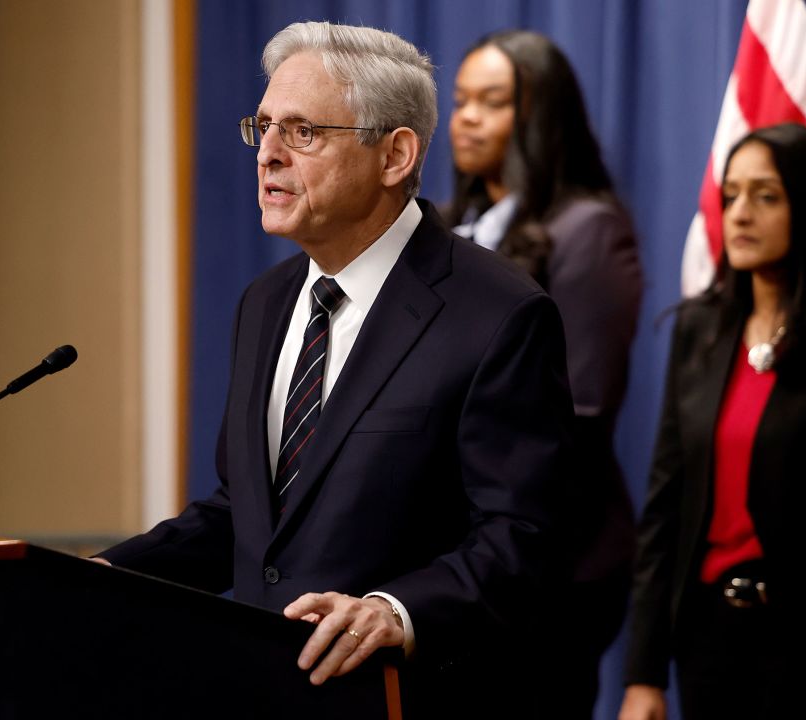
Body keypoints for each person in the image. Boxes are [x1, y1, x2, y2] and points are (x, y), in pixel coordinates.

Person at [97, 21, 574, 716]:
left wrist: (397, 610)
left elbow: (524, 537)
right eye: (262, 128)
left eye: (302, 132)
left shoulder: (500, 314)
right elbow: (246, 515)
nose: (267, 156)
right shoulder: (265, 302)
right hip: (260, 689)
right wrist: (101, 575)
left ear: (395, 154)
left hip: (405, 697)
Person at [444, 30, 642, 718]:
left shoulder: (590, 229)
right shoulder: (449, 226)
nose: (464, 117)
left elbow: (583, 414)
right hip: (456, 561)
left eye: (490, 102)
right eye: (461, 99)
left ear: (539, 117)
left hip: (554, 565)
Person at [619, 123, 806, 720]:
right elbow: (665, 512)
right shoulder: (700, 328)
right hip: (708, 643)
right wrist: (643, 674)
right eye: (731, 196)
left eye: (766, 196)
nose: (740, 214)